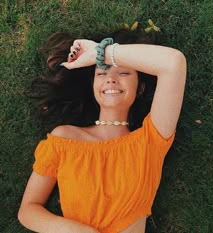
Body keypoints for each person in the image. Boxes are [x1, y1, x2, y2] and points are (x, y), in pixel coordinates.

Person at [18, 29, 187, 233]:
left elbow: (173, 63)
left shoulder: (151, 140)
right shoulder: (64, 139)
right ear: (93, 85)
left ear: (140, 88)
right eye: (102, 72)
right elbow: (28, 210)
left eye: (124, 73)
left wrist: (100, 53)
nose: (111, 79)